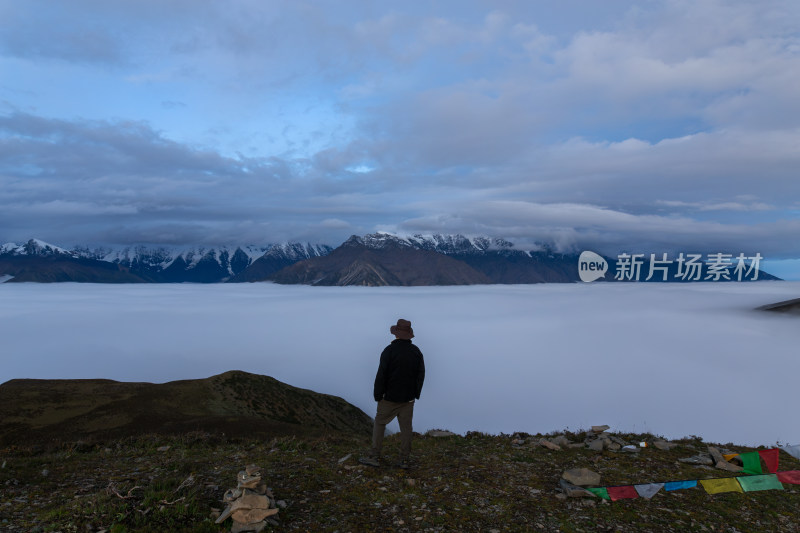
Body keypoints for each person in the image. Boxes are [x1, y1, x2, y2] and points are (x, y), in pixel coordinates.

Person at [359, 318, 425, 469]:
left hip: (389, 398)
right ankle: (404, 459)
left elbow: (381, 374)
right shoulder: (416, 352)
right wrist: (415, 393)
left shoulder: (389, 351)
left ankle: (374, 456)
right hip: (408, 399)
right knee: (406, 428)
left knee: (380, 423)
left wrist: (378, 395)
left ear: (396, 334)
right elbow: (420, 374)